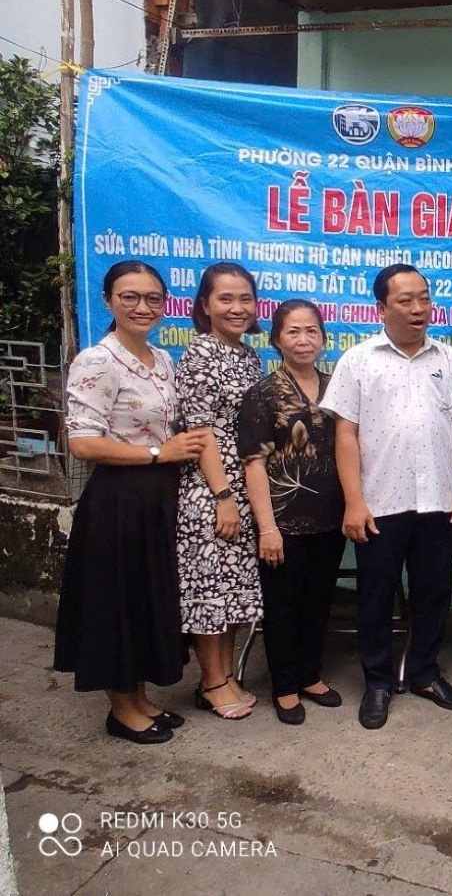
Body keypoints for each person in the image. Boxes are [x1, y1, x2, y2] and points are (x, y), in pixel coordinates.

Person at [322, 263, 452, 729]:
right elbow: (346, 434)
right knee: (375, 597)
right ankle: (376, 682)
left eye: (425, 298)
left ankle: (423, 674)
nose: (419, 309)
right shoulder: (358, 360)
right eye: (405, 300)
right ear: (382, 307)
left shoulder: (449, 360)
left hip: (437, 501)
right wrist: (353, 500)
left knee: (433, 593)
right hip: (379, 505)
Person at [54, 260, 207, 743]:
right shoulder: (97, 361)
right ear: (108, 302)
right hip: (118, 500)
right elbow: (82, 442)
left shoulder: (160, 359)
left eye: (152, 299)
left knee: (143, 599)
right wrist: (160, 452)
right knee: (116, 602)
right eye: (130, 298)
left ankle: (139, 698)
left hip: (157, 498)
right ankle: (121, 709)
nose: (143, 308)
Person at [238, 299, 346, 725]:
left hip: (330, 518)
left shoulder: (337, 385)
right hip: (282, 521)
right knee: (283, 604)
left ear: (323, 336)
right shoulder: (263, 394)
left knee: (319, 599)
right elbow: (254, 463)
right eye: (293, 331)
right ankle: (284, 686)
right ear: (276, 339)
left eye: (311, 331)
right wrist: (267, 528)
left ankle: (310, 675)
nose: (304, 340)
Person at [176, 262, 265, 720]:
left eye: (245, 298)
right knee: (210, 592)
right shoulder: (200, 354)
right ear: (205, 305)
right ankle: (211, 682)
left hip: (245, 490)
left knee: (231, 592)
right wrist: (222, 496)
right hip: (212, 492)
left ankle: (225, 677)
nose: (237, 308)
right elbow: (201, 432)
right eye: (226, 299)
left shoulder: (248, 356)